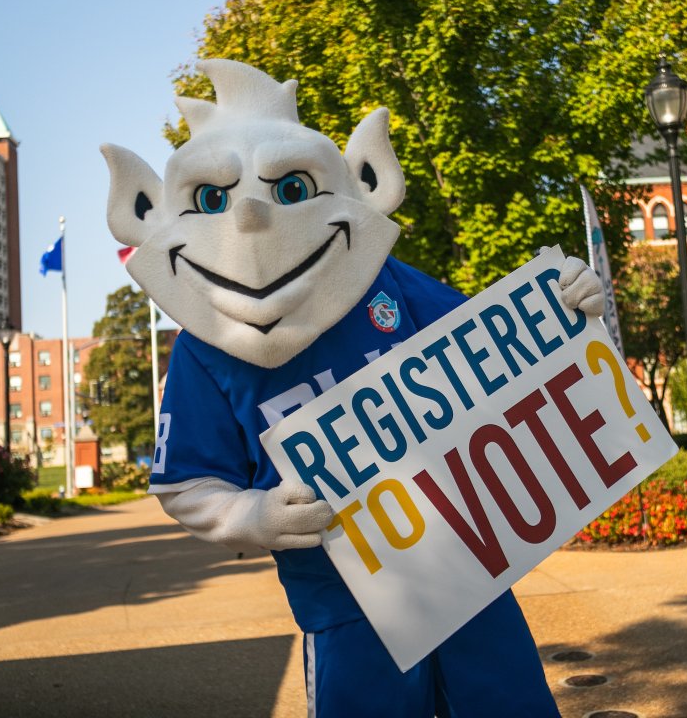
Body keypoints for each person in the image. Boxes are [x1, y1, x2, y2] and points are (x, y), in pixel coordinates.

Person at [102, 59, 604, 717]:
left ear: (368, 178)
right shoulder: (204, 352)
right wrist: (250, 516)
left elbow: (498, 354)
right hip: (344, 602)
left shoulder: (389, 285)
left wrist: (564, 313)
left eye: (287, 189)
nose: (251, 213)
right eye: (215, 198)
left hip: (466, 569)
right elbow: (186, 481)